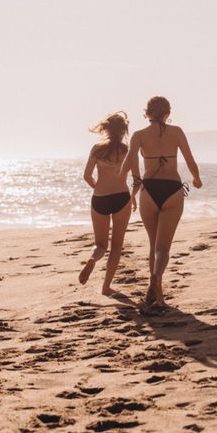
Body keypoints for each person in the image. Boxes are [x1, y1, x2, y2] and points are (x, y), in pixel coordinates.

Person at [120, 96, 202, 309]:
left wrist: (131, 187)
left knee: (152, 244)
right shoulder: (177, 132)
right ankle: (157, 279)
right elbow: (190, 160)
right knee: (163, 248)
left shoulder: (138, 136)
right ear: (167, 113)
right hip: (173, 190)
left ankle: (156, 287)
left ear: (147, 113)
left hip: (149, 191)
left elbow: (129, 165)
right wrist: (197, 179)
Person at [79, 111, 136, 295]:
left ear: (105, 128)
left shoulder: (97, 148)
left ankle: (93, 259)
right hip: (121, 197)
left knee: (100, 244)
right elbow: (137, 179)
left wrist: (98, 188)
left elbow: (87, 175)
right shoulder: (126, 150)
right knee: (117, 246)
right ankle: (106, 287)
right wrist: (133, 196)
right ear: (124, 130)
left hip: (100, 198)